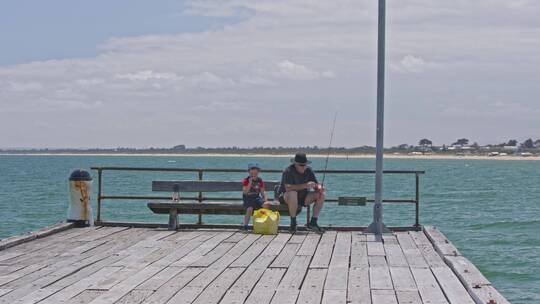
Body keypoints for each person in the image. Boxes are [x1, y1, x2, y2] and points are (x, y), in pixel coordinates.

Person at [278, 152, 325, 233]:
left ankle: (313, 222)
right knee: (293, 193)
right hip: (287, 197)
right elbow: (288, 187)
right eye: (301, 165)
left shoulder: (309, 170)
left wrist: (319, 187)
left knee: (321, 195)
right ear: (295, 164)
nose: (304, 167)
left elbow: (316, 184)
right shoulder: (288, 170)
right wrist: (305, 185)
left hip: (303, 197)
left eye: (305, 164)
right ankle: (293, 223)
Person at [242, 163, 271, 231]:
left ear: (258, 172)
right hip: (248, 198)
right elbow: (245, 192)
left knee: (266, 205)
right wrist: (250, 183)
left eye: (255, 171)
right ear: (249, 172)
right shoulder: (246, 180)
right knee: (249, 209)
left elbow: (263, 191)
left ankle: (263, 223)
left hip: (256, 197)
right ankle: (245, 226)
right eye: (252, 171)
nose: (254, 173)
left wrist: (265, 198)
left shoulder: (260, 180)